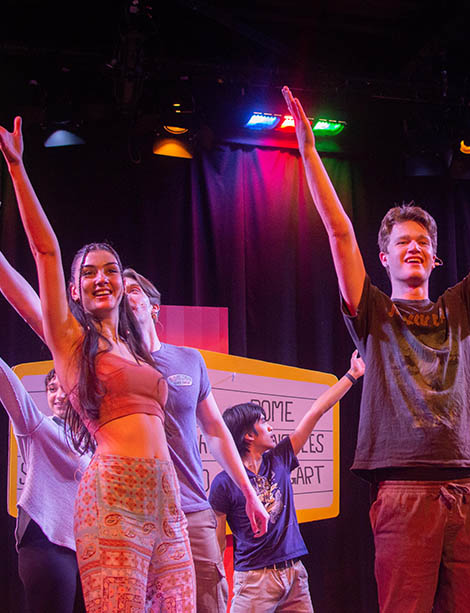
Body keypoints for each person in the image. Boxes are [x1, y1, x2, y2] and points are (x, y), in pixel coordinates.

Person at [281, 85, 470, 612]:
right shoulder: (374, 312)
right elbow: (338, 232)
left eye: (423, 241)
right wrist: (310, 152)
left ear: (435, 257)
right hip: (404, 492)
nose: (414, 247)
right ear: (384, 257)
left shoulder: (459, 307)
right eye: (402, 241)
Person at [0, 242, 271, 613]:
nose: (115, 287)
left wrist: (249, 492)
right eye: (100, 277)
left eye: (129, 286)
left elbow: (216, 431)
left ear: (152, 305)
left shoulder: (184, 360)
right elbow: (37, 295)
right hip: (124, 501)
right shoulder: (96, 355)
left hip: (186, 507)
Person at [0, 116, 194, 610]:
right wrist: (18, 169)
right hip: (113, 494)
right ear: (73, 290)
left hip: (166, 496)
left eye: (111, 269)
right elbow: (45, 252)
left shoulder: (137, 350)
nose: (102, 278)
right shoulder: (70, 341)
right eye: (89, 273)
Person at [209, 351, 365, 612]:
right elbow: (217, 537)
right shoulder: (224, 483)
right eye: (263, 422)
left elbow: (316, 411)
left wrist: (352, 376)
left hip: (294, 574)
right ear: (248, 436)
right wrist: (216, 578)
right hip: (254, 581)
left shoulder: (279, 458)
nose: (270, 427)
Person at [1, 362, 89, 613]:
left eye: (66, 388)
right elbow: (9, 386)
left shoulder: (98, 441)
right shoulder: (39, 428)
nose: (58, 396)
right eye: (52, 388)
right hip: (48, 544)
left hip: (89, 550)